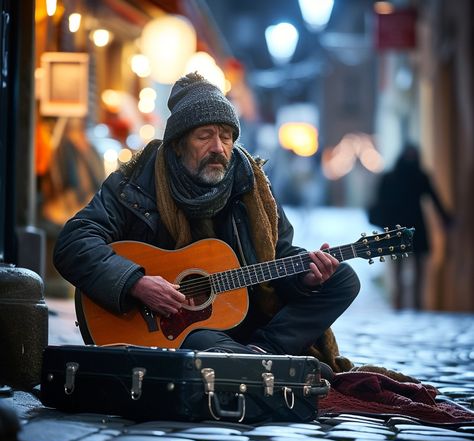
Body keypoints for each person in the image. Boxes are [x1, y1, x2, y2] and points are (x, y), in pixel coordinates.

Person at [53, 72, 360, 367]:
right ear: (178, 143)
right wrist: (135, 282)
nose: (218, 148)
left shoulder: (252, 185)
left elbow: (278, 255)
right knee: (199, 344)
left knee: (343, 279)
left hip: (248, 322)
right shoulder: (136, 183)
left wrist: (305, 279)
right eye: (205, 136)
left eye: (226, 137)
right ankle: (259, 363)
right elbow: (73, 242)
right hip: (187, 331)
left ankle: (263, 352)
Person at [369, 144, 452, 310]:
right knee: (402, 272)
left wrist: (445, 217)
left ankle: (412, 307)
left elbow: (433, 198)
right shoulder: (406, 176)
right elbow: (380, 203)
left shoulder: (411, 176)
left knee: (415, 273)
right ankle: (401, 306)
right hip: (402, 228)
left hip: (411, 228)